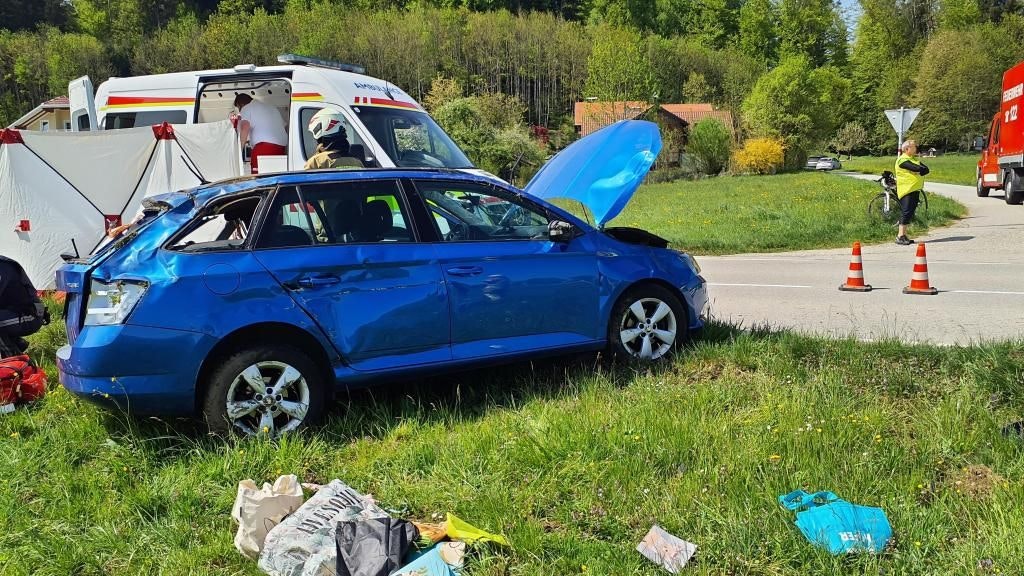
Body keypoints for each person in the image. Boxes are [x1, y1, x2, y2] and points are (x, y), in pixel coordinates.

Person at [0, 256, 48, 357]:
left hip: (31, 315)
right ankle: (17, 343)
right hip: (18, 312)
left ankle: (13, 359)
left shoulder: (3, 267)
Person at [232, 94, 288, 175]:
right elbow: (284, 127)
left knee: (258, 179)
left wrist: (238, 151)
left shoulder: (247, 108)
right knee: (276, 177)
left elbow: (245, 129)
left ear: (241, 104)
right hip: (281, 149)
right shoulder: (271, 107)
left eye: (238, 108)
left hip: (263, 149)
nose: (240, 110)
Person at [893, 139, 929, 246]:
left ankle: (904, 235)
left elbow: (926, 169)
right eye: (913, 146)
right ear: (907, 149)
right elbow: (915, 168)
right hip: (906, 190)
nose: (916, 148)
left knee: (910, 212)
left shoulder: (913, 159)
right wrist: (918, 170)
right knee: (906, 212)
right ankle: (900, 236)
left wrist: (918, 170)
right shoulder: (902, 160)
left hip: (914, 189)